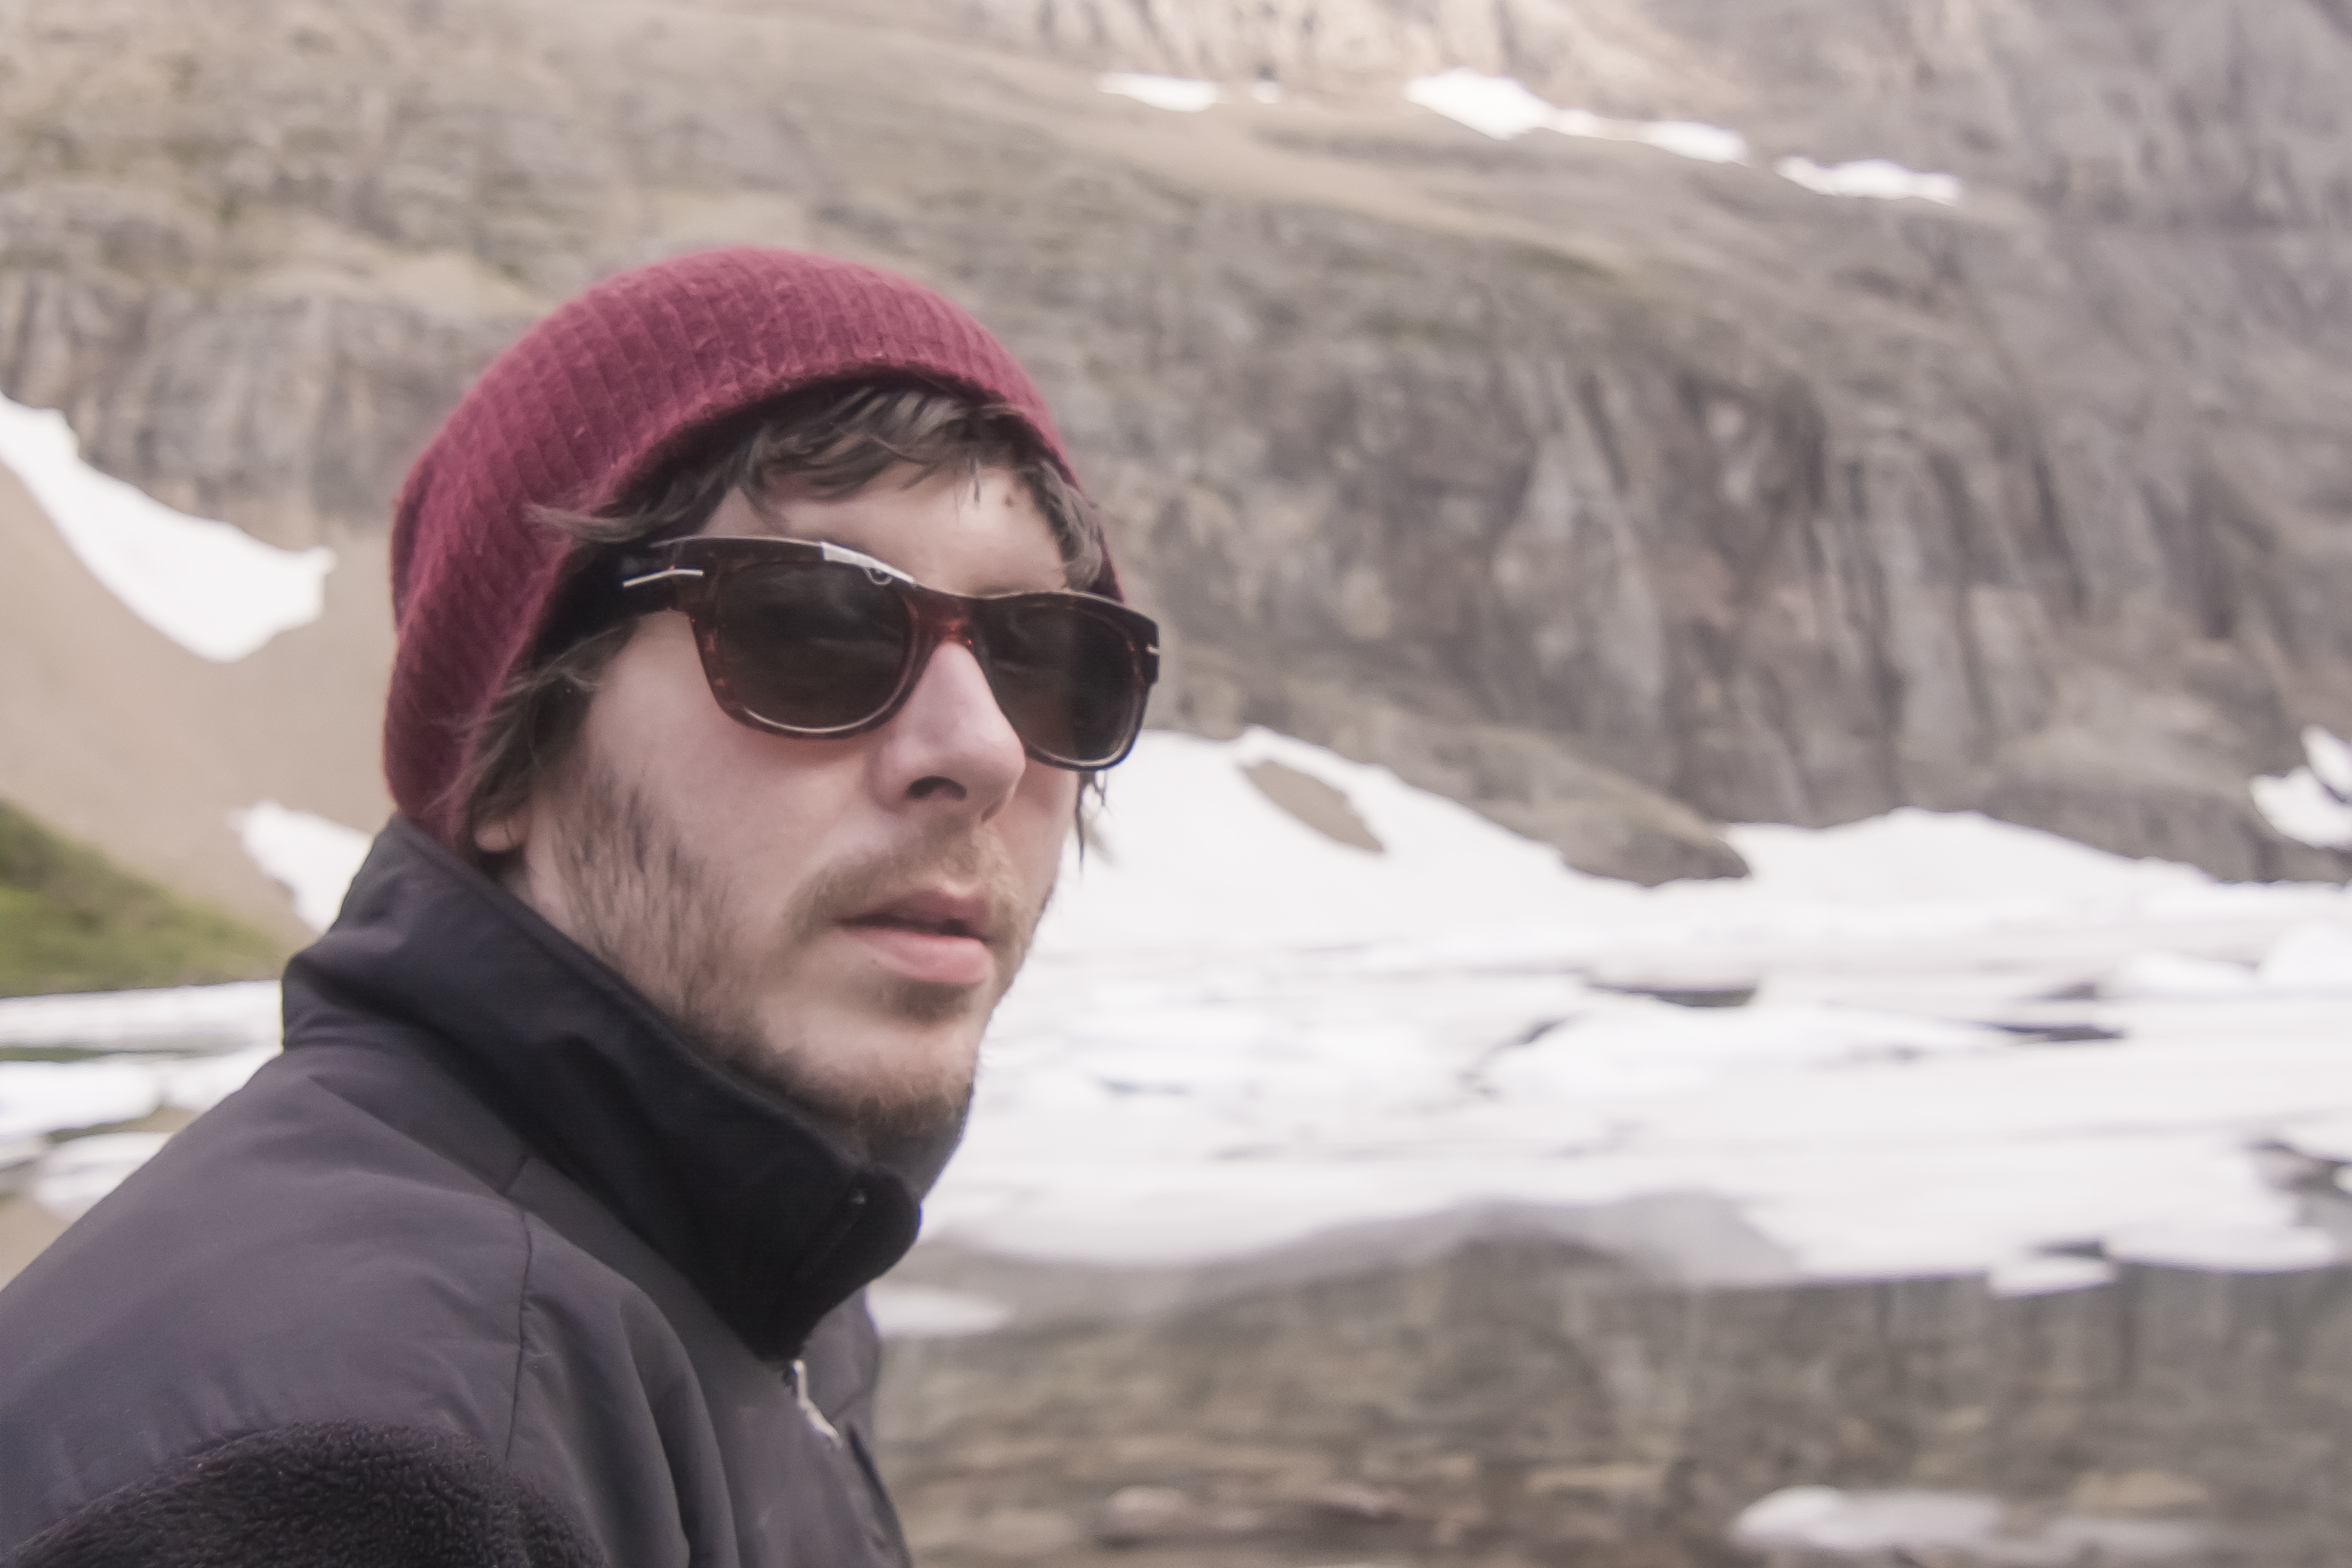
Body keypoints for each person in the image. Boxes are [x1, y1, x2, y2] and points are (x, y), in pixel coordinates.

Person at [0, 247, 1158, 1567]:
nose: (984, 748)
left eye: (1045, 659)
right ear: (510, 755)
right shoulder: (367, 1472)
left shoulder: (745, 1280)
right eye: (817, 627)